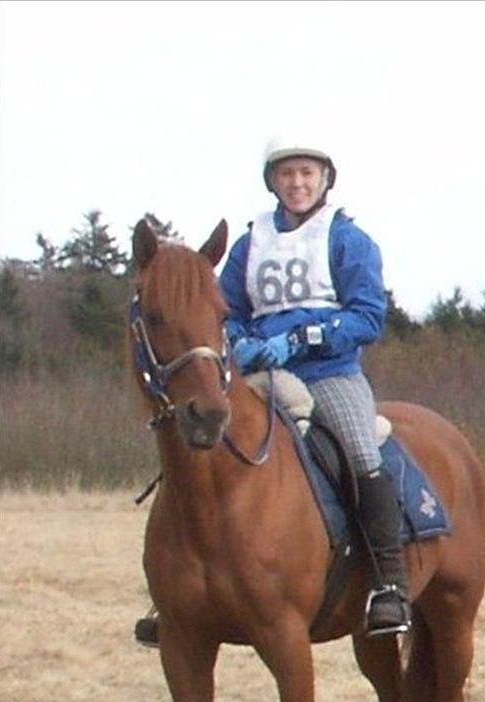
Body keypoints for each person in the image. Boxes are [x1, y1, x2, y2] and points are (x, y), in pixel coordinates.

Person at [134, 136, 410, 646]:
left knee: (358, 448)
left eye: (306, 173)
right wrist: (241, 342)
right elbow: (225, 310)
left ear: (324, 178)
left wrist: (303, 338)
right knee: (200, 450)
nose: (297, 183)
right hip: (259, 371)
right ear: (273, 182)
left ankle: (389, 582)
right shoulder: (250, 243)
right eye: (287, 175)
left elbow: (367, 316)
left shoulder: (348, 240)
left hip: (330, 372)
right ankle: (175, 590)